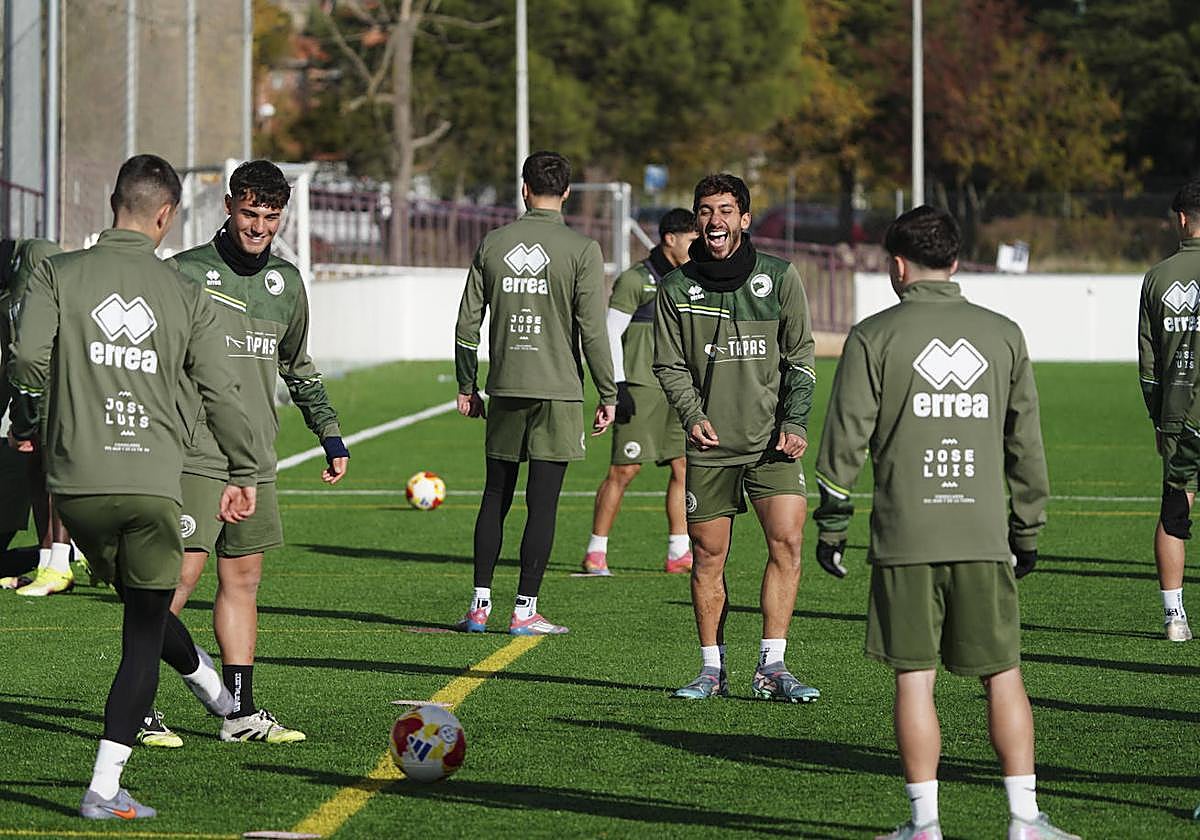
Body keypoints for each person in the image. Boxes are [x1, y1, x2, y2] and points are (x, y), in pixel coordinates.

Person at [7, 153, 258, 820]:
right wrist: (242, 470)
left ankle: (207, 682)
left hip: (75, 486)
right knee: (143, 627)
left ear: (112, 203)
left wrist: (58, 396)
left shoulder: (57, 272)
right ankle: (104, 788)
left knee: (137, 598)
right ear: (166, 215)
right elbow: (222, 392)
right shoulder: (185, 292)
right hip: (151, 482)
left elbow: (26, 358)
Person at [813, 206, 1076, 840]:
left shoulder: (873, 336)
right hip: (982, 534)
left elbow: (844, 440)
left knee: (914, 677)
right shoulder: (1002, 334)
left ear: (897, 266)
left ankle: (925, 826)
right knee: (1003, 673)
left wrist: (833, 522)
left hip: (906, 535)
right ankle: (1024, 820)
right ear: (955, 261)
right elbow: (1026, 443)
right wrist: (1027, 527)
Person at [149, 159, 349, 748]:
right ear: (229, 206)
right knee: (173, 584)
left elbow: (297, 366)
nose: (259, 227)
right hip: (195, 454)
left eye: (270, 216)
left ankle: (239, 713)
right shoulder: (184, 273)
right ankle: (139, 706)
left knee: (243, 580)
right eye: (249, 213)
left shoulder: (287, 283)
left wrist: (328, 432)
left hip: (256, 459)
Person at [653, 173, 819, 702]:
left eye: (726, 210)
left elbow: (801, 357)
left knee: (788, 541)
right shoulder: (675, 288)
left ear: (744, 219)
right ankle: (711, 669)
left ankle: (772, 666)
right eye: (705, 211)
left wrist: (795, 421)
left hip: (773, 443)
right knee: (708, 556)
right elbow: (668, 364)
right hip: (710, 445)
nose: (715, 220)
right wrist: (691, 414)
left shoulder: (780, 277)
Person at [454, 150, 616, 635]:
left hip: (506, 387)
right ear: (566, 193)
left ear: (524, 188)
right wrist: (608, 393)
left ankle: (479, 606)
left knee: (495, 494)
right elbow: (593, 331)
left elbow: (466, 325)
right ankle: (524, 610)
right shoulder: (582, 249)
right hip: (559, 391)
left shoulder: (493, 243)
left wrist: (467, 384)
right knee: (542, 503)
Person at [582, 208, 697, 576]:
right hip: (641, 389)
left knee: (683, 467)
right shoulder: (635, 280)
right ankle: (596, 550)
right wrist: (617, 386)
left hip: (679, 390)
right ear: (670, 239)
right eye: (691, 240)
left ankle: (678, 552)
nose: (697, 247)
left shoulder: (692, 279)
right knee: (625, 469)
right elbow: (610, 333)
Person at [1137, 178, 1200, 642]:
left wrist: (1158, 417)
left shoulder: (1157, 278)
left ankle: (1174, 618)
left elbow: (1149, 365)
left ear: (1181, 219)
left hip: (1179, 412)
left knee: (1176, 509)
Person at [0, 237, 80, 596]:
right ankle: (48, 562)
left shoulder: (35, 254)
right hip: (33, 387)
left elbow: (71, 291)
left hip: (63, 376)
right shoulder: (5, 295)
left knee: (55, 467)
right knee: (34, 466)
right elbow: (10, 361)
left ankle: (64, 561)